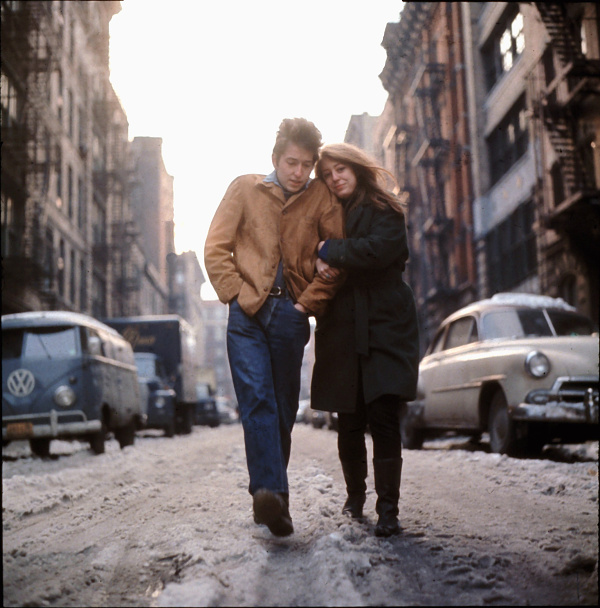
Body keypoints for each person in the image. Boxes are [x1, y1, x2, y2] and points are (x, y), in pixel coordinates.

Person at [204, 118, 344, 537]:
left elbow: (334, 260)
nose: (298, 172)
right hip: (246, 315)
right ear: (275, 159)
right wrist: (235, 294)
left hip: (291, 316)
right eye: (291, 163)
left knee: (282, 408)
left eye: (306, 164)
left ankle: (271, 496)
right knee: (257, 400)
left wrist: (306, 305)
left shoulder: (321, 199)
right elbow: (216, 248)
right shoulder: (245, 188)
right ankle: (269, 494)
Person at [311, 143, 420, 538]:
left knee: (384, 416)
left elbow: (377, 251)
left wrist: (328, 250)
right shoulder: (326, 214)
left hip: (384, 323)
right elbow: (305, 253)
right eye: (327, 174)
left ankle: (388, 510)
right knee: (349, 418)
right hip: (342, 324)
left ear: (356, 168)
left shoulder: (385, 209)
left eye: (341, 169)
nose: (335, 177)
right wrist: (317, 257)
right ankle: (354, 498)